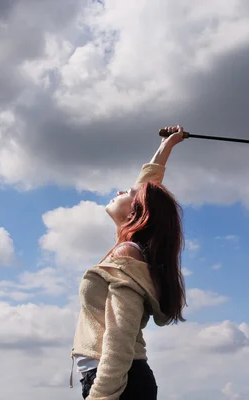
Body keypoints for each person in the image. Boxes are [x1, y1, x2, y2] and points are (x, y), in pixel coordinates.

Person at [69, 125, 188, 399]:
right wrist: (166, 146)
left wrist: (101, 395)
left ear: (139, 211)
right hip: (121, 380)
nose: (122, 190)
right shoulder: (130, 249)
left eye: (129, 193)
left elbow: (120, 335)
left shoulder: (127, 254)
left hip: (117, 383)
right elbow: (147, 186)